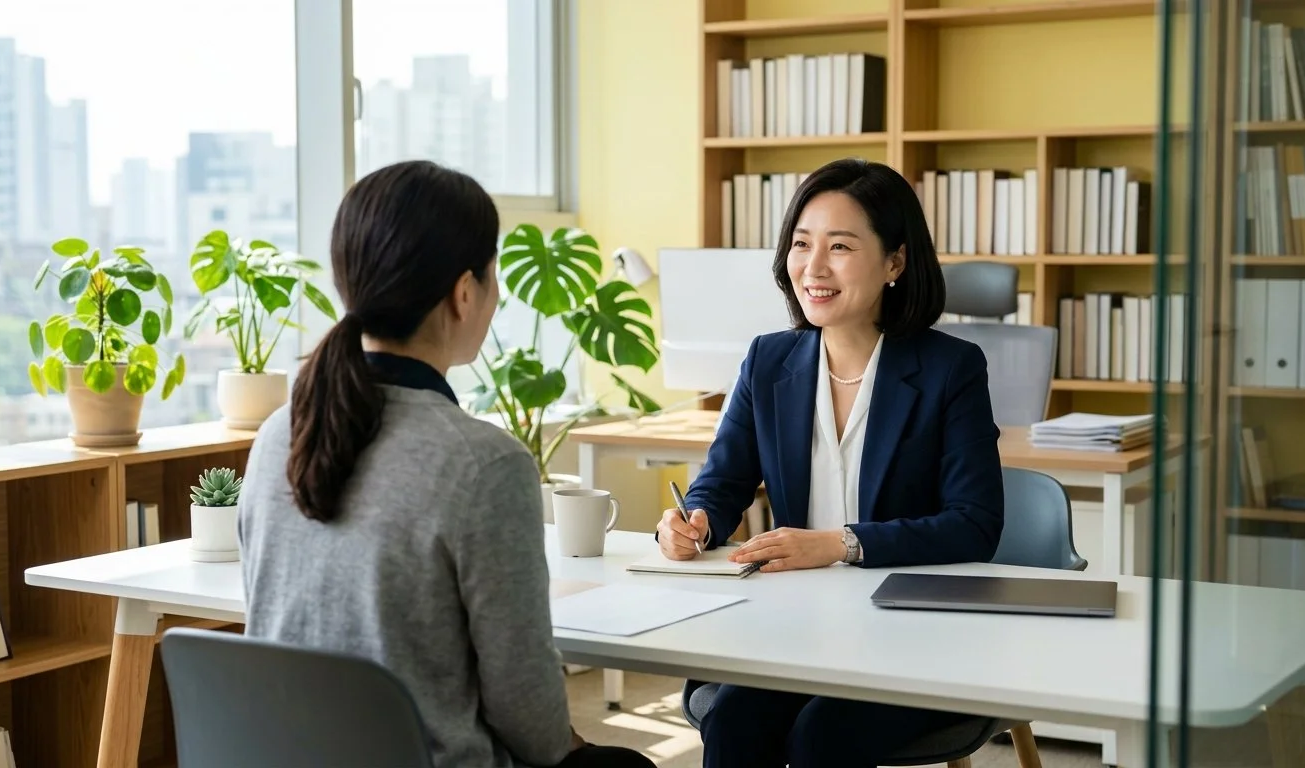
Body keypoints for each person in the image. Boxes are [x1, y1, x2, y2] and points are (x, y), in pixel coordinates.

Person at [237, 160, 656, 768]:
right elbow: (531, 720)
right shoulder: (484, 464)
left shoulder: (280, 433)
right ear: (465, 292)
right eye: (493, 275)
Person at [656, 157, 1005, 768]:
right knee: (733, 720)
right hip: (797, 627)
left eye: (839, 246)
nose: (813, 268)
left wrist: (841, 544)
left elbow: (975, 523)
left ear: (895, 262)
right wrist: (695, 520)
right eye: (801, 244)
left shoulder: (953, 368)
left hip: (911, 632)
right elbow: (723, 480)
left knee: (823, 737)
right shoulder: (768, 361)